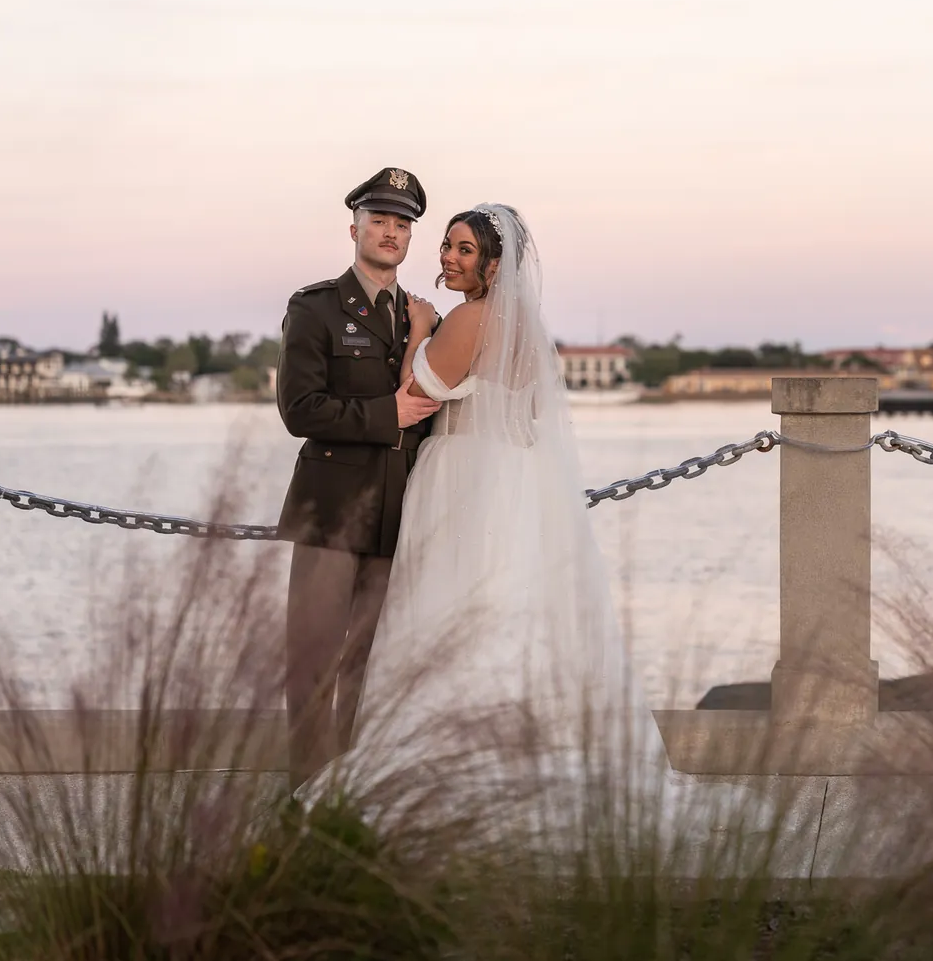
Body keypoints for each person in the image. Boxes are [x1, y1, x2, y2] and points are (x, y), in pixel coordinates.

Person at [298, 203, 771, 849]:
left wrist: (418, 326)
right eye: (446, 247)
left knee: (452, 608)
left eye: (464, 250)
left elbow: (419, 388)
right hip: (513, 483)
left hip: (463, 477)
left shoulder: (465, 318)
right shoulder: (527, 328)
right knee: (508, 611)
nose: (448, 259)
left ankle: (442, 764)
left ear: (495, 265)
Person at [274, 166, 442, 790]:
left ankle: (354, 792)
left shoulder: (422, 318)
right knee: (314, 660)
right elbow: (299, 410)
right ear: (355, 228)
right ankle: (306, 791)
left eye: (403, 224)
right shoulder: (314, 307)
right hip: (332, 509)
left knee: (372, 665)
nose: (391, 232)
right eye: (380, 221)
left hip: (400, 514)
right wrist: (386, 415)